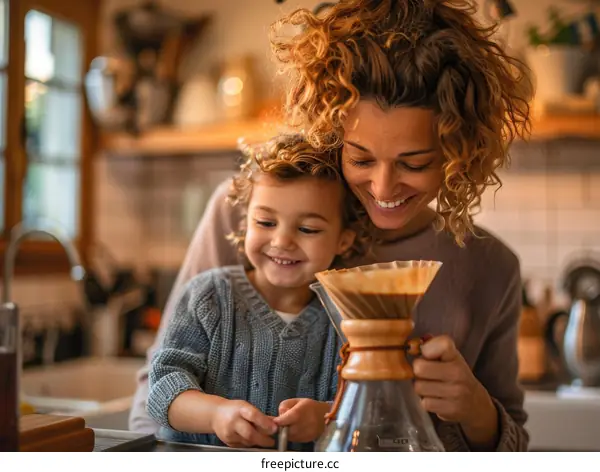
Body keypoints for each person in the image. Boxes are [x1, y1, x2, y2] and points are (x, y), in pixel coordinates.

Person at [131, 0, 534, 452]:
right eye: (360, 157)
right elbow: (153, 396)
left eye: (414, 163)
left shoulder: (490, 267)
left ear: (458, 150)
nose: (383, 186)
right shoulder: (247, 215)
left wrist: (474, 407)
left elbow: (512, 445)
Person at [145, 134, 369, 450]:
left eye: (307, 229)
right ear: (245, 222)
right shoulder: (208, 296)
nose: (282, 241)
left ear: (343, 240)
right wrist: (215, 415)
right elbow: (163, 389)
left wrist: (326, 416)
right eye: (265, 222)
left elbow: (369, 404)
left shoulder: (349, 317)